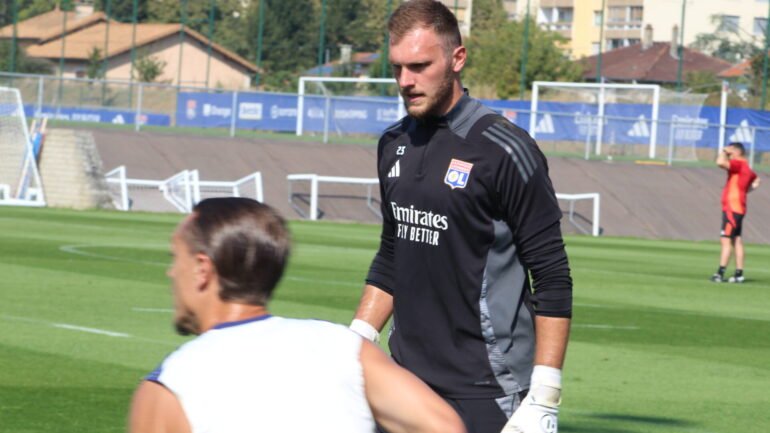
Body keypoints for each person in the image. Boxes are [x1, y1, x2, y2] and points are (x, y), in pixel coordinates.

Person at [348, 1, 572, 433]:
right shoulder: (392, 143)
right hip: (406, 381)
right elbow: (393, 254)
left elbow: (552, 275)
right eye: (397, 68)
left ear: (457, 58)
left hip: (487, 388)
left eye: (419, 65)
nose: (405, 81)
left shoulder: (505, 149)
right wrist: (356, 340)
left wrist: (545, 395)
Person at [127, 197, 466, 433]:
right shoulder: (343, 347)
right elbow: (444, 427)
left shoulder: (171, 384)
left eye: (177, 259)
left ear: (202, 269)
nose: (172, 273)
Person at [710, 142, 760, 283]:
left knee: (725, 240)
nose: (729, 154)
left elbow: (720, 162)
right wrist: (747, 190)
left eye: (731, 151)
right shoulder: (746, 168)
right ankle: (739, 274)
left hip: (732, 209)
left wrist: (724, 152)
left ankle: (720, 273)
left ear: (736, 152)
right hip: (738, 208)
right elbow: (756, 179)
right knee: (736, 240)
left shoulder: (738, 164)